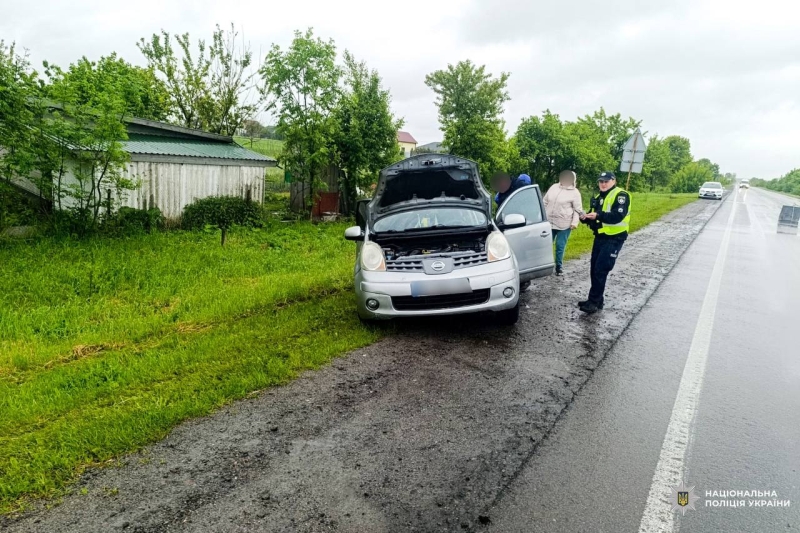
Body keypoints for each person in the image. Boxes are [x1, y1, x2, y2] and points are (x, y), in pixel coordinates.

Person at [578, 171, 631, 314]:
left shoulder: (621, 195)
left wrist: (598, 215)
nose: (603, 183)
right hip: (600, 237)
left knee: (601, 269)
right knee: (594, 268)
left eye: (606, 181)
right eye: (601, 181)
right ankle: (596, 300)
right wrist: (585, 218)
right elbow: (594, 215)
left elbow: (617, 216)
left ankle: (594, 302)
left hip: (614, 237)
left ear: (614, 181)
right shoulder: (598, 197)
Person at [543, 170, 582, 275]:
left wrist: (575, 222)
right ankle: (545, 266)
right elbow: (545, 201)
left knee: (560, 246)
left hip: (564, 224)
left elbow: (577, 209)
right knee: (546, 245)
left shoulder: (575, 192)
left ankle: (559, 267)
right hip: (548, 222)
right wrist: (541, 216)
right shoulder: (554, 187)